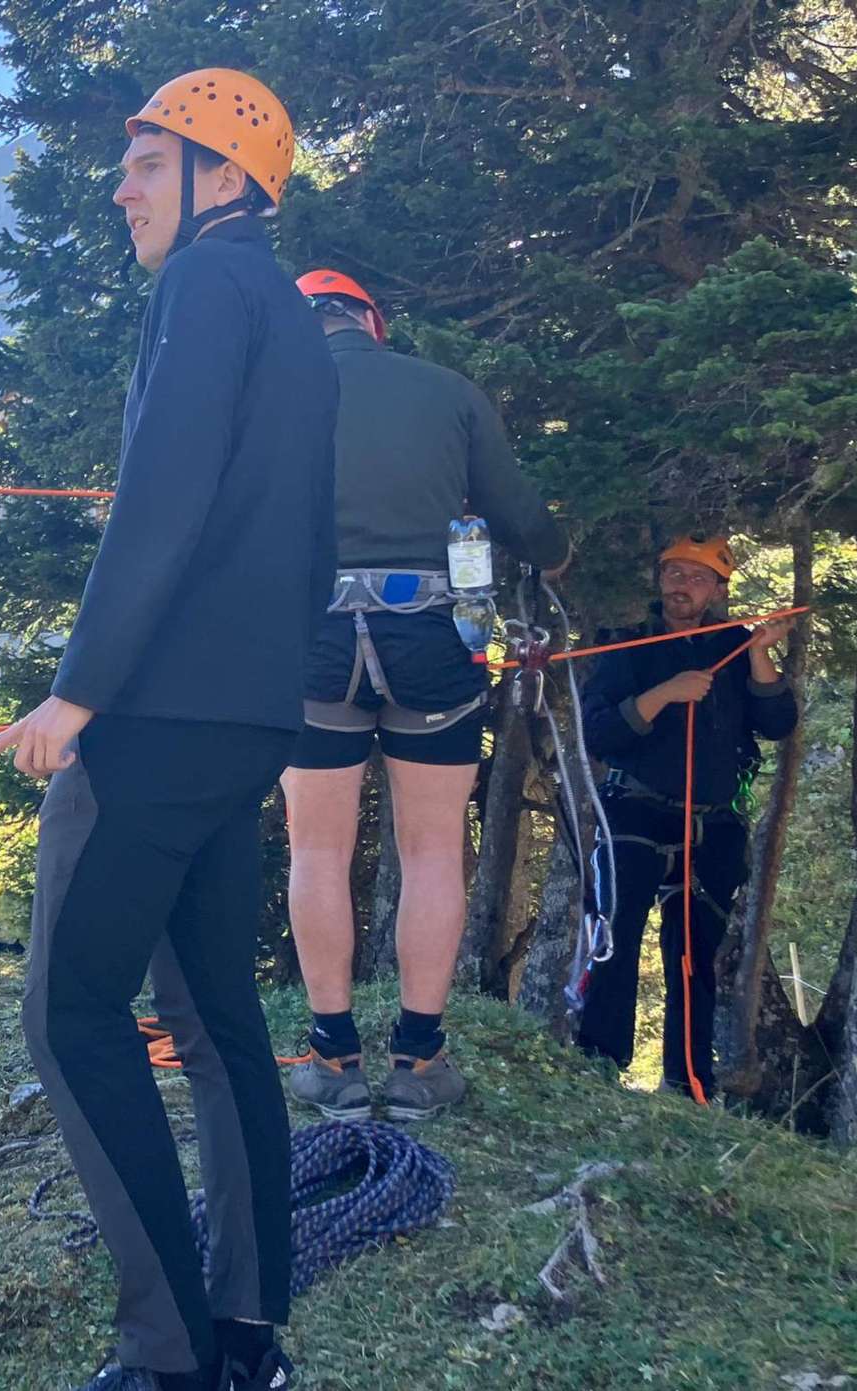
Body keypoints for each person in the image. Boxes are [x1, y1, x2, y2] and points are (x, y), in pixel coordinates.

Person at [0, 67, 336, 1391]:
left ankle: (170, 1353)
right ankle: (247, 1322)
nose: (119, 185)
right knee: (219, 1013)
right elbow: (298, 534)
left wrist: (80, 690)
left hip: (158, 719)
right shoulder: (294, 318)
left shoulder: (201, 287)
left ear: (222, 177)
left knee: (71, 1012)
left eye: (146, 161)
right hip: (247, 721)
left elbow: (163, 502)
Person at [278, 269, 571, 1123]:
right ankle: (419, 1054)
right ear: (372, 322)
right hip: (435, 636)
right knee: (436, 848)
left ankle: (335, 1057)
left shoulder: (270, 389)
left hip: (314, 640)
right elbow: (522, 515)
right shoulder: (448, 391)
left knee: (317, 852)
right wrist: (554, 557)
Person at [575, 534, 796, 1098]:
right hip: (634, 810)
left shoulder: (736, 644)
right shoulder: (627, 647)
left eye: (698, 577)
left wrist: (759, 654)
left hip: (714, 823)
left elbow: (777, 724)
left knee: (695, 954)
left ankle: (689, 1082)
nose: (683, 585)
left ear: (720, 590)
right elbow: (598, 733)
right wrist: (663, 694)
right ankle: (599, 1068)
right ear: (659, 580)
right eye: (674, 573)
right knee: (616, 937)